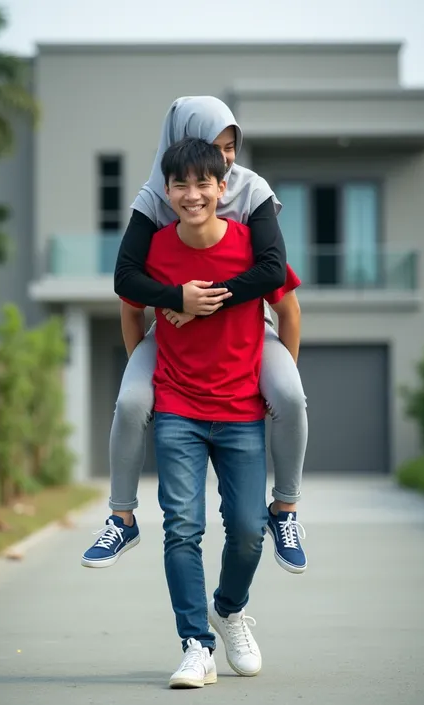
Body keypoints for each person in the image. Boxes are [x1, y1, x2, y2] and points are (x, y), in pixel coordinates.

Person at [81, 96, 308, 574]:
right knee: (130, 402)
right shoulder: (155, 195)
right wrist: (175, 301)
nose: (223, 158)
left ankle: (284, 510)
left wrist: (203, 304)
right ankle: (122, 518)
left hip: (245, 329)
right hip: (171, 328)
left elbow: (271, 272)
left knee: (288, 393)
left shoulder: (251, 188)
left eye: (230, 148)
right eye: (214, 145)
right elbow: (125, 280)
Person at [123, 137, 288, 687]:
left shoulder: (250, 245)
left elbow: (287, 303)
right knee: (182, 528)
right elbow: (128, 296)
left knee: (247, 530)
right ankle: (196, 644)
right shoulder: (156, 249)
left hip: (241, 407)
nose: (192, 194)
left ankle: (230, 607)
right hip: (178, 408)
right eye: (180, 185)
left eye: (203, 183)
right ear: (166, 192)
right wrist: (167, 314)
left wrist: (280, 372)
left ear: (224, 187)